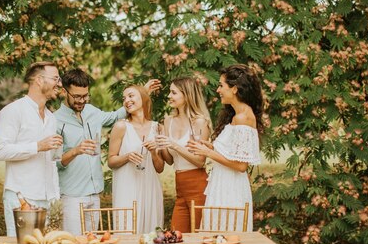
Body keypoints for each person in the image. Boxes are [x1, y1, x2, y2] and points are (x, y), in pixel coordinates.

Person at [55, 69, 161, 235]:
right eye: (77, 96)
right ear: (64, 91)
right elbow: (55, 163)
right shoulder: (55, 120)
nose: (82, 101)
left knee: (92, 243)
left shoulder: (91, 111)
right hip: (72, 195)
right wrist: (76, 151)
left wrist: (143, 92)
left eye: (85, 95)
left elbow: (117, 115)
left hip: (95, 192)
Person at [187, 64, 263, 231]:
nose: (218, 90)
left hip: (231, 189)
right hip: (222, 183)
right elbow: (232, 153)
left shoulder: (243, 118)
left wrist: (208, 153)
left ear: (234, 89)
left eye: (221, 85)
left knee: (227, 237)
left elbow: (241, 166)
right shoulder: (237, 116)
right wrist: (210, 147)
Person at [0, 61, 64, 236]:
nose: (60, 84)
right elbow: (1, 151)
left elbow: (51, 161)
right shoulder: (13, 111)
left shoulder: (51, 117)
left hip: (49, 199)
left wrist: (55, 196)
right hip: (22, 197)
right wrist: (38, 146)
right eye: (56, 78)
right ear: (39, 80)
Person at [155, 77, 211, 233]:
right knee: (177, 235)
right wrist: (159, 145)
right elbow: (170, 160)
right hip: (179, 188)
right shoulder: (168, 121)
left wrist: (173, 144)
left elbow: (200, 161)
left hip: (198, 186)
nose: (169, 96)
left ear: (186, 95)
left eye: (174, 92)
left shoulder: (199, 122)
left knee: (200, 236)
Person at [108, 85, 164, 234]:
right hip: (127, 187)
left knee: (152, 234)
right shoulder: (121, 126)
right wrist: (127, 157)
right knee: (127, 230)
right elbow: (111, 161)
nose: (127, 100)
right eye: (124, 98)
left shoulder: (157, 128)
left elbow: (160, 168)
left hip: (150, 186)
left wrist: (153, 153)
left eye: (131, 96)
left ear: (143, 97)